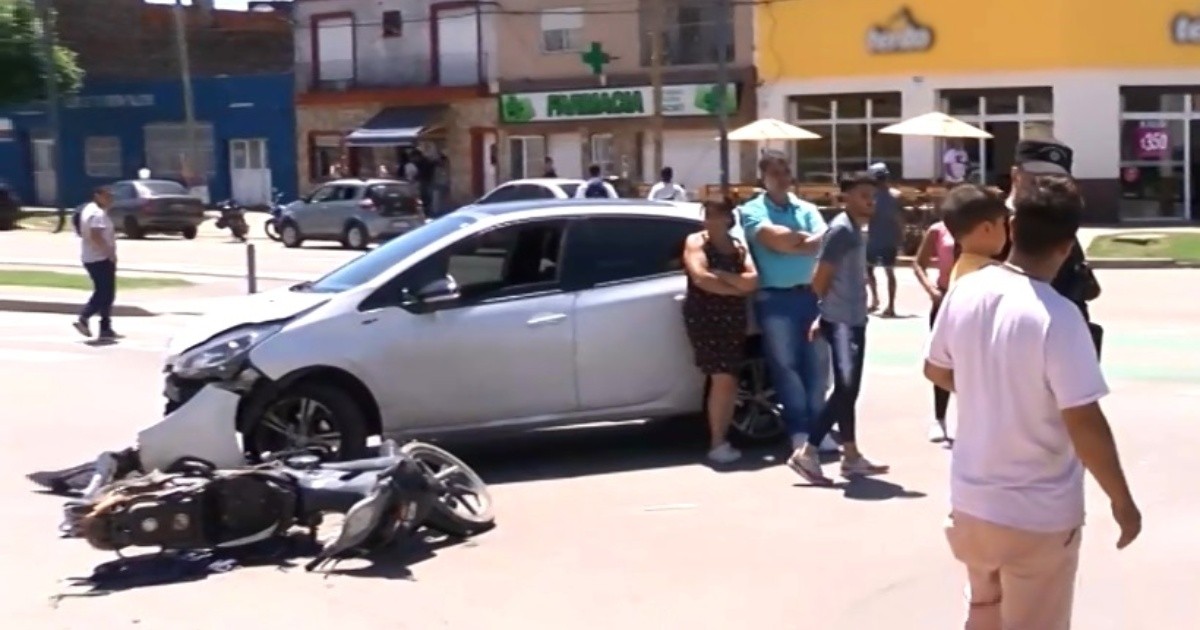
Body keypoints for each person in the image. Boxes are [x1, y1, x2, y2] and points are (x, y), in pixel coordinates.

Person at [923, 176, 1141, 629]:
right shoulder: (1058, 318)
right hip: (1035, 518)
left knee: (984, 613)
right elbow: (1083, 420)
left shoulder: (965, 290)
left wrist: (991, 390)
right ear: (1068, 245)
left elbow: (936, 369)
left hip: (971, 506)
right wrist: (1122, 500)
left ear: (1012, 227)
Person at [787, 173, 889, 484]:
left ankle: (851, 456)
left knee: (850, 389)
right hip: (843, 323)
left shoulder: (856, 230)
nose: (869, 201)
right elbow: (821, 278)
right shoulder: (842, 231)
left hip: (853, 319)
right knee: (845, 390)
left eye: (872, 195)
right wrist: (826, 315)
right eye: (862, 195)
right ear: (845, 197)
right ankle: (807, 452)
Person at [740, 153, 836, 452]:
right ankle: (798, 430)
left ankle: (819, 430)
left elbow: (824, 240)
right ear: (763, 178)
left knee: (817, 368)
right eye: (774, 172)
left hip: (812, 295)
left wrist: (794, 243)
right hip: (774, 299)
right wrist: (799, 242)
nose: (781, 177)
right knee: (786, 367)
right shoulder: (752, 210)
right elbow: (774, 239)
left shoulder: (806, 208)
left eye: (785, 171)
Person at [1007, 138, 1104, 356]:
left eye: (1056, 178)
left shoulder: (1062, 222)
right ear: (1016, 175)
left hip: (1063, 343)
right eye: (1036, 177)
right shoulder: (990, 224)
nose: (1045, 185)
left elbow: (1081, 283)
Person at [682, 199, 759, 464]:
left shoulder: (738, 247)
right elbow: (700, 277)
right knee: (723, 377)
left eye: (717, 214)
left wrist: (723, 276)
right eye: (708, 214)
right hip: (706, 317)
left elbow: (753, 280)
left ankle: (720, 439)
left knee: (729, 378)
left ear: (728, 218)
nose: (711, 219)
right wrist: (735, 288)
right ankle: (717, 442)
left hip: (733, 318)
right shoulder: (697, 241)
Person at [911, 207, 957, 443]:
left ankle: (975, 419)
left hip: (977, 299)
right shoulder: (938, 230)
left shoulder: (981, 229)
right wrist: (931, 290)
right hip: (945, 299)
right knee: (942, 360)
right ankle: (939, 418)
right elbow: (918, 263)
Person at [73, 186, 119, 340]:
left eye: (111, 196)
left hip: (90, 257)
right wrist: (109, 253)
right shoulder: (97, 213)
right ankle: (83, 318)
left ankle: (105, 326)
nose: (110, 199)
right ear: (97, 196)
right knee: (104, 293)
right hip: (100, 258)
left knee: (107, 293)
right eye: (107, 196)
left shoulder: (88, 210)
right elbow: (96, 235)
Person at [945, 184, 1009, 284]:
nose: (1006, 229)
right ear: (986, 228)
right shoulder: (993, 275)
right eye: (1003, 223)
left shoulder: (959, 268)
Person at [864, 163, 903, 317]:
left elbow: (899, 218)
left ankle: (888, 304)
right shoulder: (874, 195)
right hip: (878, 236)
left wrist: (901, 235)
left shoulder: (892, 195)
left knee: (887, 271)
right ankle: (876, 300)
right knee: (870, 270)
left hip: (884, 237)